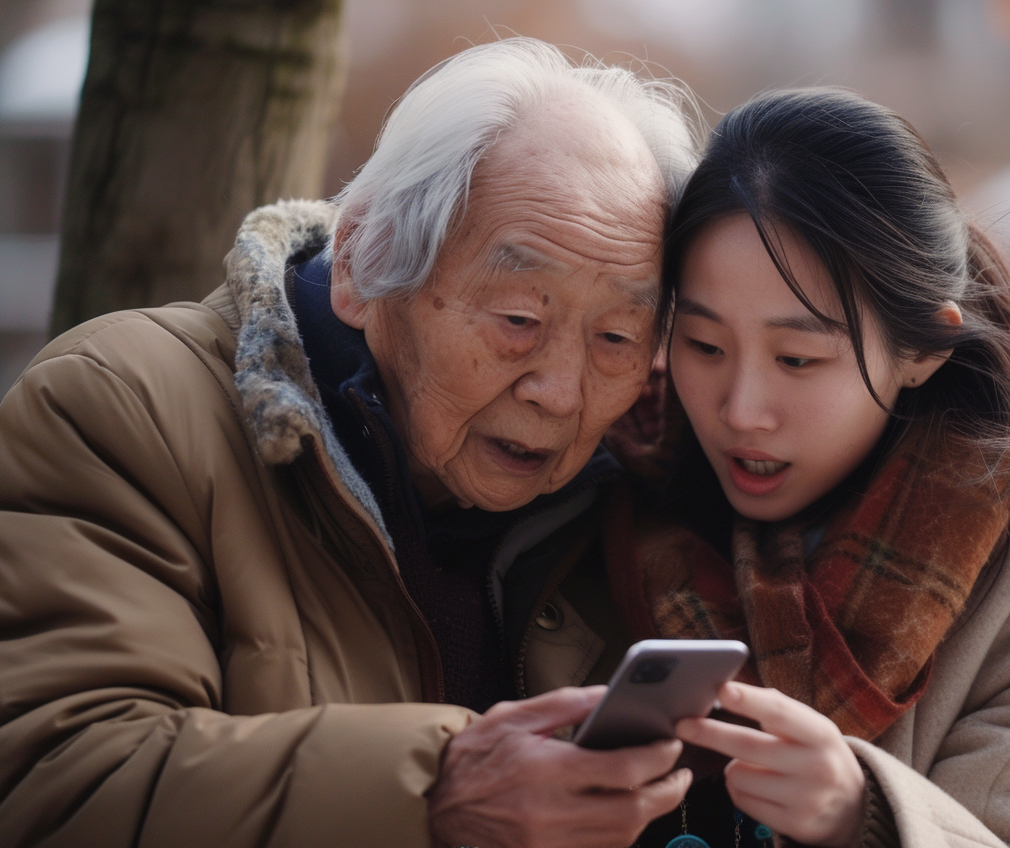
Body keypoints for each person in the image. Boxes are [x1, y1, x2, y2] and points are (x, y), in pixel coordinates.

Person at [0, 39, 702, 848]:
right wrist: (434, 791)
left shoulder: (628, 509)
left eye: (616, 337)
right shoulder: (122, 403)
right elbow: (60, 783)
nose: (562, 392)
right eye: (519, 321)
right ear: (365, 263)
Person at [595, 88, 1010, 847]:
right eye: (703, 346)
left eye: (797, 358)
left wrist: (861, 813)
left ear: (925, 349)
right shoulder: (607, 476)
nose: (741, 409)